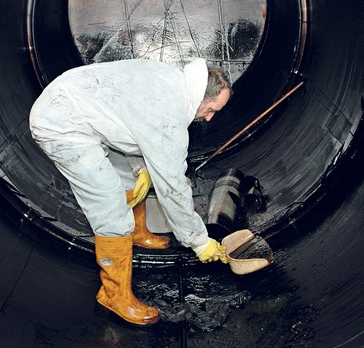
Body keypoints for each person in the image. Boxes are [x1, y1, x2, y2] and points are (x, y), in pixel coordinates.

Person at [29, 58, 231, 326]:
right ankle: (114, 294)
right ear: (200, 96)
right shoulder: (169, 118)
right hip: (62, 125)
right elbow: (172, 188)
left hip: (75, 104)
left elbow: (127, 118)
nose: (209, 117)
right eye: (210, 109)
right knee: (110, 207)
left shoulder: (171, 79)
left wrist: (141, 167)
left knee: (129, 175)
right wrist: (198, 241)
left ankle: (136, 232)